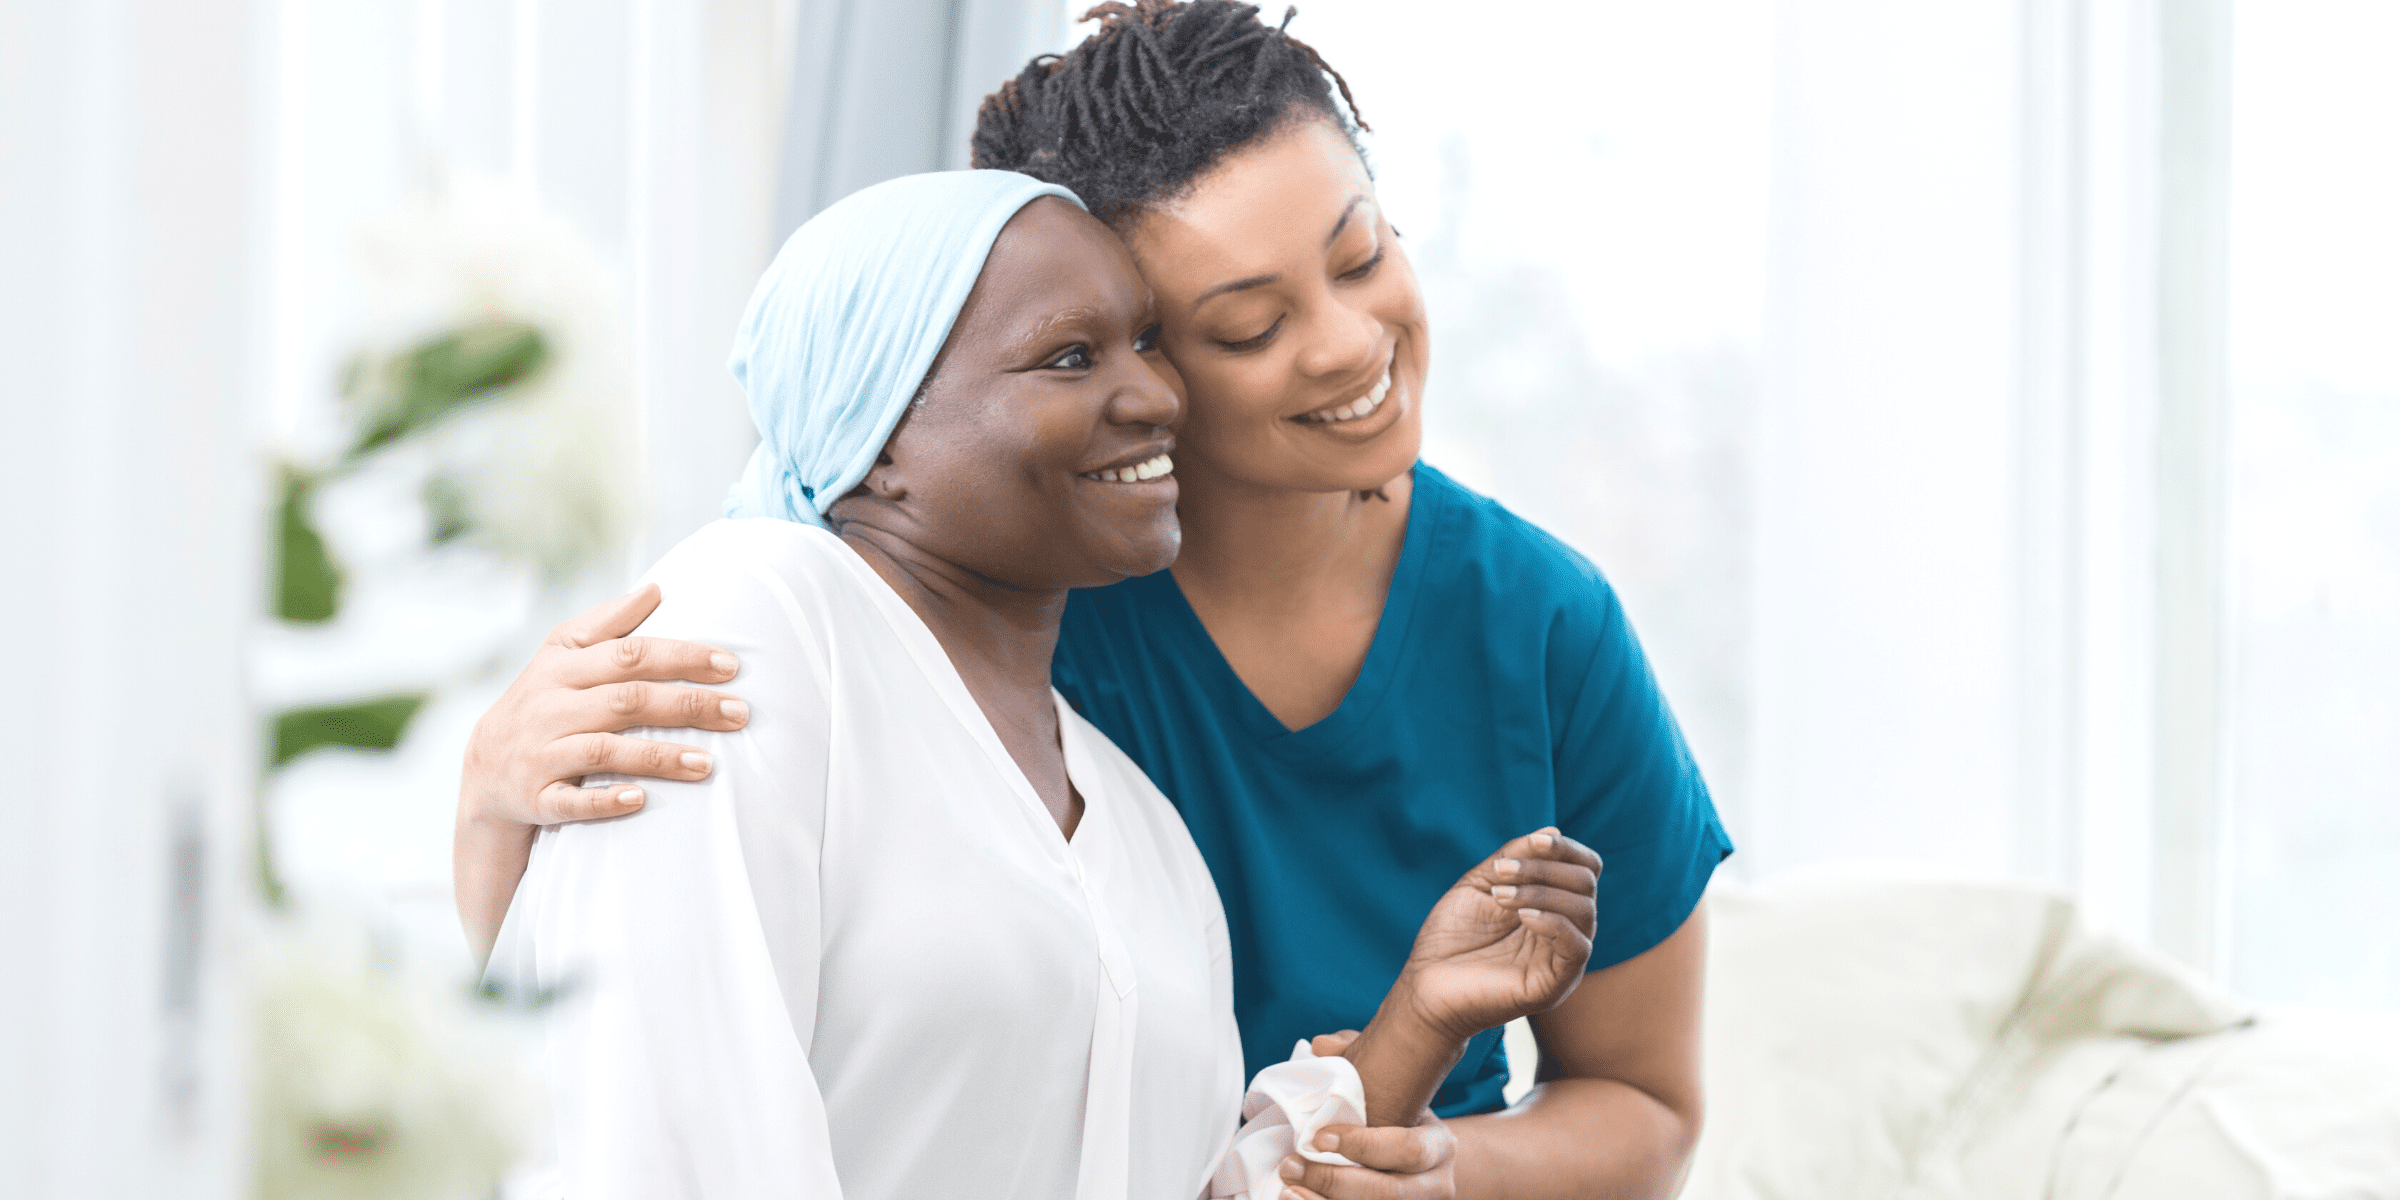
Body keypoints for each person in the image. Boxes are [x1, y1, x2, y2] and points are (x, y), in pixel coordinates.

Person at [457, 5, 1732, 1197]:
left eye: (1363, 252)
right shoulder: (952, 618)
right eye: (1244, 326)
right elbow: (637, 1016)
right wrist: (495, 802)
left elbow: (1644, 1100)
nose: (1349, 342)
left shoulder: (1540, 626)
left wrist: (1432, 1163)